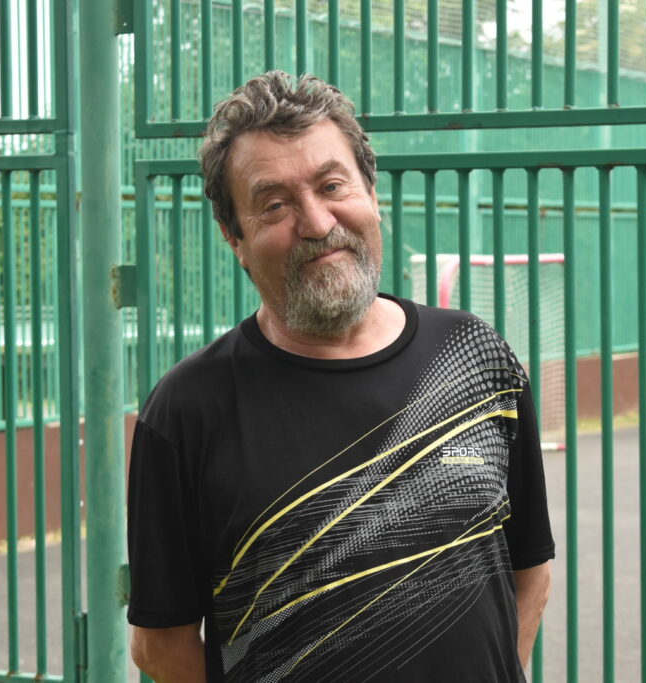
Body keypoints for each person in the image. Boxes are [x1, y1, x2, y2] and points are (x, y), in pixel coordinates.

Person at [127, 70, 554, 682]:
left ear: (371, 193)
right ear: (234, 236)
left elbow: (530, 566)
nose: (317, 222)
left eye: (332, 186)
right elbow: (160, 646)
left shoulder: (475, 355)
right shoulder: (188, 410)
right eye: (275, 204)